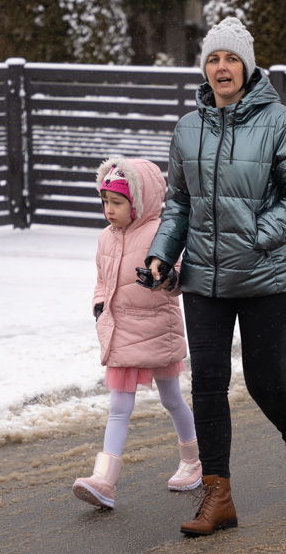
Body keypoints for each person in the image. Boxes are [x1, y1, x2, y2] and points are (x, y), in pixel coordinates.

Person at [145, 17, 286, 536]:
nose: (222, 67)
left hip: (268, 277)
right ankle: (217, 496)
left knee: (265, 380)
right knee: (207, 384)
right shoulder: (187, 127)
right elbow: (178, 202)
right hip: (204, 280)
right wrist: (162, 254)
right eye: (213, 59)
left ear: (246, 65)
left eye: (231, 58)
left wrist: (256, 235)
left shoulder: (278, 122)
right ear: (205, 67)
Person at [72, 158, 200, 510]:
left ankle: (193, 460)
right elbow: (102, 279)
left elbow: (177, 278)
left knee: (171, 398)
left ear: (138, 203)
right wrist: (99, 305)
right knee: (119, 406)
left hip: (158, 328)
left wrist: (160, 280)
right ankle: (105, 480)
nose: (108, 210)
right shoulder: (105, 238)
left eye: (117, 203)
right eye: (105, 202)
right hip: (121, 330)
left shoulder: (162, 231)